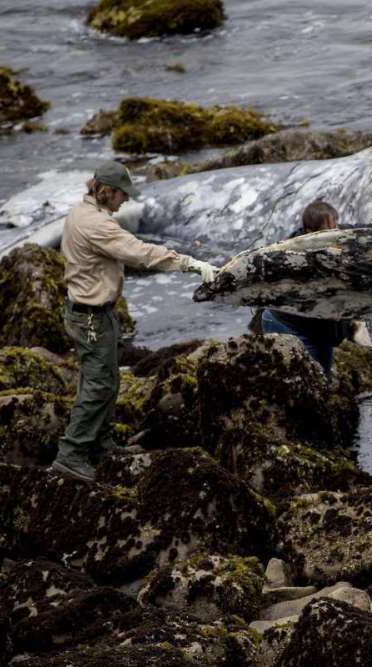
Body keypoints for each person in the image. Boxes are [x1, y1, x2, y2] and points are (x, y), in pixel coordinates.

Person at [51, 160, 218, 482]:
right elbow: (140, 252)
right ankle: (71, 454)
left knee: (106, 381)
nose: (126, 200)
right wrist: (190, 264)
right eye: (122, 194)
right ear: (107, 191)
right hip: (91, 317)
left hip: (95, 313)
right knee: (98, 386)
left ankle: (100, 442)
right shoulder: (97, 225)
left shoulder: (83, 213)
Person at [259, 200, 353, 376]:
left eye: (336, 226)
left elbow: (366, 229)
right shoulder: (296, 258)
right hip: (288, 324)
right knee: (297, 379)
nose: (334, 233)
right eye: (328, 230)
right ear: (311, 232)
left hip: (317, 329)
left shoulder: (335, 236)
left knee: (320, 376)